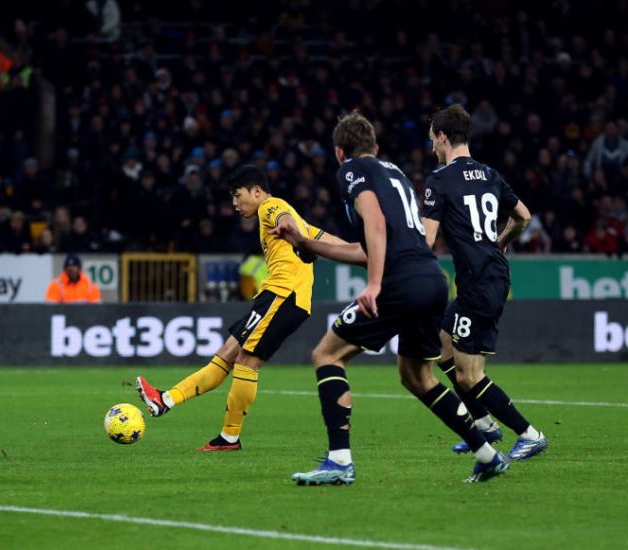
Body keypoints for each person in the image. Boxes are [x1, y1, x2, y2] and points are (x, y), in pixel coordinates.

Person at [273, 113, 507, 484]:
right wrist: (304, 243)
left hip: (399, 282)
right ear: (376, 147)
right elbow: (366, 247)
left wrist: (374, 284)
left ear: (339, 153)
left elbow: (375, 225)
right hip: (431, 279)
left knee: (326, 355)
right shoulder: (393, 173)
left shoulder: (351, 171)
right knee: (417, 377)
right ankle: (487, 453)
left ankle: (339, 462)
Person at [136, 166, 346, 451]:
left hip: (282, 296)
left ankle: (229, 438)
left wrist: (294, 233)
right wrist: (366, 253)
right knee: (226, 354)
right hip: (276, 297)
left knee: (247, 361)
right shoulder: (288, 213)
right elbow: (327, 240)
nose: (234, 204)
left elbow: (285, 220)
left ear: (256, 191)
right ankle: (165, 400)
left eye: (237, 196)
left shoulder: (271, 207)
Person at [423, 104, 548, 460]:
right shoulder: (490, 175)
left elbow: (426, 242)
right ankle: (483, 423)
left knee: (468, 375)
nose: (432, 146)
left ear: (444, 136)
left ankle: (528, 433)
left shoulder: (440, 180)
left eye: (432, 138)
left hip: (478, 283)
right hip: (491, 275)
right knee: (442, 339)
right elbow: (522, 216)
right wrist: (499, 244)